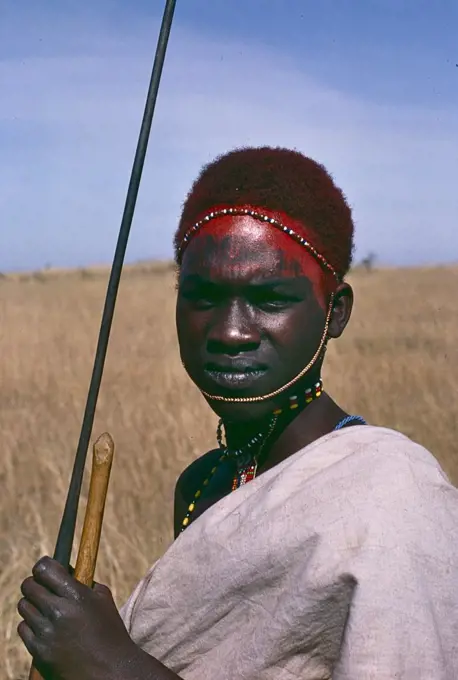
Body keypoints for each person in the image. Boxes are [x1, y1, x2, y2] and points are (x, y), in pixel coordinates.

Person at [17, 147, 458, 680]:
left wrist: (111, 663)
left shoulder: (393, 496)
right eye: (202, 296)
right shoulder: (202, 484)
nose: (229, 331)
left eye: (269, 298)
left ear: (334, 313)